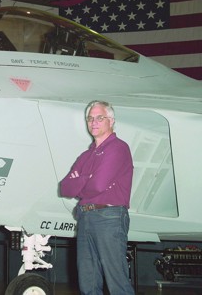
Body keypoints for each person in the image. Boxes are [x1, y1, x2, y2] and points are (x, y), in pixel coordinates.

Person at [60, 100, 134, 295]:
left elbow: (98, 185)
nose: (94, 122)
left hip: (108, 217)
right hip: (85, 217)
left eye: (100, 117)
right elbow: (65, 187)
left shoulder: (118, 148)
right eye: (90, 118)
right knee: (88, 284)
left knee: (117, 282)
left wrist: (82, 180)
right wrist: (87, 179)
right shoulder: (86, 155)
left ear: (111, 120)